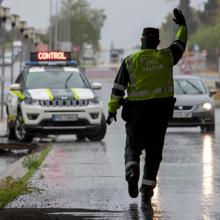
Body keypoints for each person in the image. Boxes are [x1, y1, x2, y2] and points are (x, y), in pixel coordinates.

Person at [106, 8, 187, 210]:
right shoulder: (166, 57)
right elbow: (180, 44)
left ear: (142, 40)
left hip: (136, 116)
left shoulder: (130, 61)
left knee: (132, 148)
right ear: (157, 42)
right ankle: (146, 194)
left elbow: (118, 89)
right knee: (153, 155)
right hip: (159, 117)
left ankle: (132, 173)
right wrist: (183, 27)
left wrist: (112, 110)